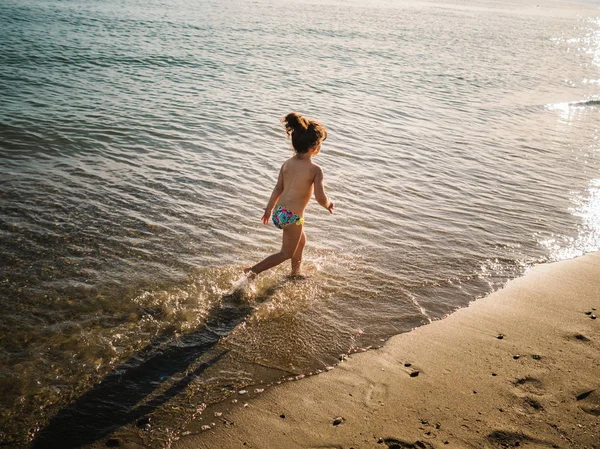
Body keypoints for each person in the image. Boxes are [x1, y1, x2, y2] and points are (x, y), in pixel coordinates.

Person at [244, 112, 334, 278]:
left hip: (279, 212)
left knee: (301, 241)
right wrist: (328, 204)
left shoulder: (287, 163)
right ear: (315, 148)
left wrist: (269, 209)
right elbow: (320, 198)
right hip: (292, 217)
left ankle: (295, 273)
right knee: (285, 253)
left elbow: (278, 188)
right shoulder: (315, 170)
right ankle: (253, 270)